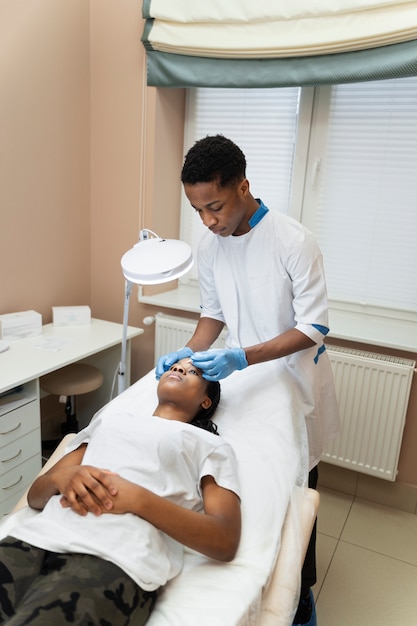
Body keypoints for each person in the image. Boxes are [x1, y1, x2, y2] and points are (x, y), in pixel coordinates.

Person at [156, 134, 339, 626]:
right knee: (258, 480)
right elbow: (212, 315)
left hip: (295, 382)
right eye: (197, 211)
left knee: (299, 486)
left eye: (214, 206)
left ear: (243, 187)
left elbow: (313, 327)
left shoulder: (293, 241)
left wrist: (243, 356)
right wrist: (189, 352)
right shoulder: (210, 246)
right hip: (248, 383)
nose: (208, 221)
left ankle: (301, 597)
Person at [0, 359, 241, 626]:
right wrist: (61, 476)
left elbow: (224, 539)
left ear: (206, 402)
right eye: (175, 367)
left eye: (193, 371)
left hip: (115, 558)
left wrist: (137, 499)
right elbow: (36, 496)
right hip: (35, 539)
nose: (179, 369)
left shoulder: (210, 445)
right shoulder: (110, 421)